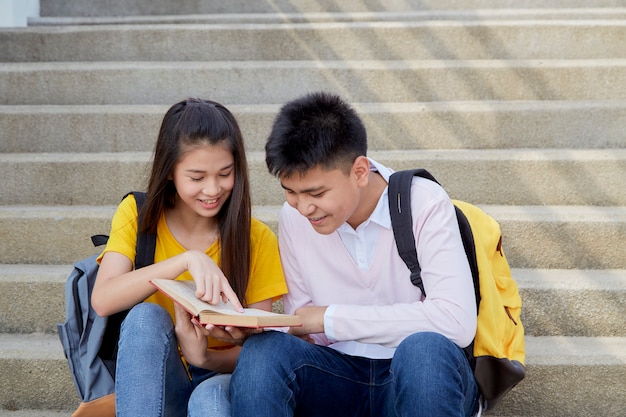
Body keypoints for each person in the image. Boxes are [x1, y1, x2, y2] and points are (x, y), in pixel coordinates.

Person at [230, 92, 480, 417]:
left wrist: (330, 318)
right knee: (264, 354)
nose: (304, 207)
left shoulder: (423, 202)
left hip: (416, 376)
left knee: (424, 350)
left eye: (317, 193)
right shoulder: (294, 217)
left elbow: (455, 322)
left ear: (360, 171)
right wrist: (262, 329)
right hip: (337, 375)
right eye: (290, 192)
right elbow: (307, 330)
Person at [91, 98, 287, 417]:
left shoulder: (256, 238)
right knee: (144, 318)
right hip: (155, 379)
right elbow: (102, 299)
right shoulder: (138, 215)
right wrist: (186, 261)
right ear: (169, 171)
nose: (212, 189)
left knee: (208, 400)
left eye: (225, 173)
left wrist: (204, 357)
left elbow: (258, 356)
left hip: (220, 379)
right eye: (197, 177)